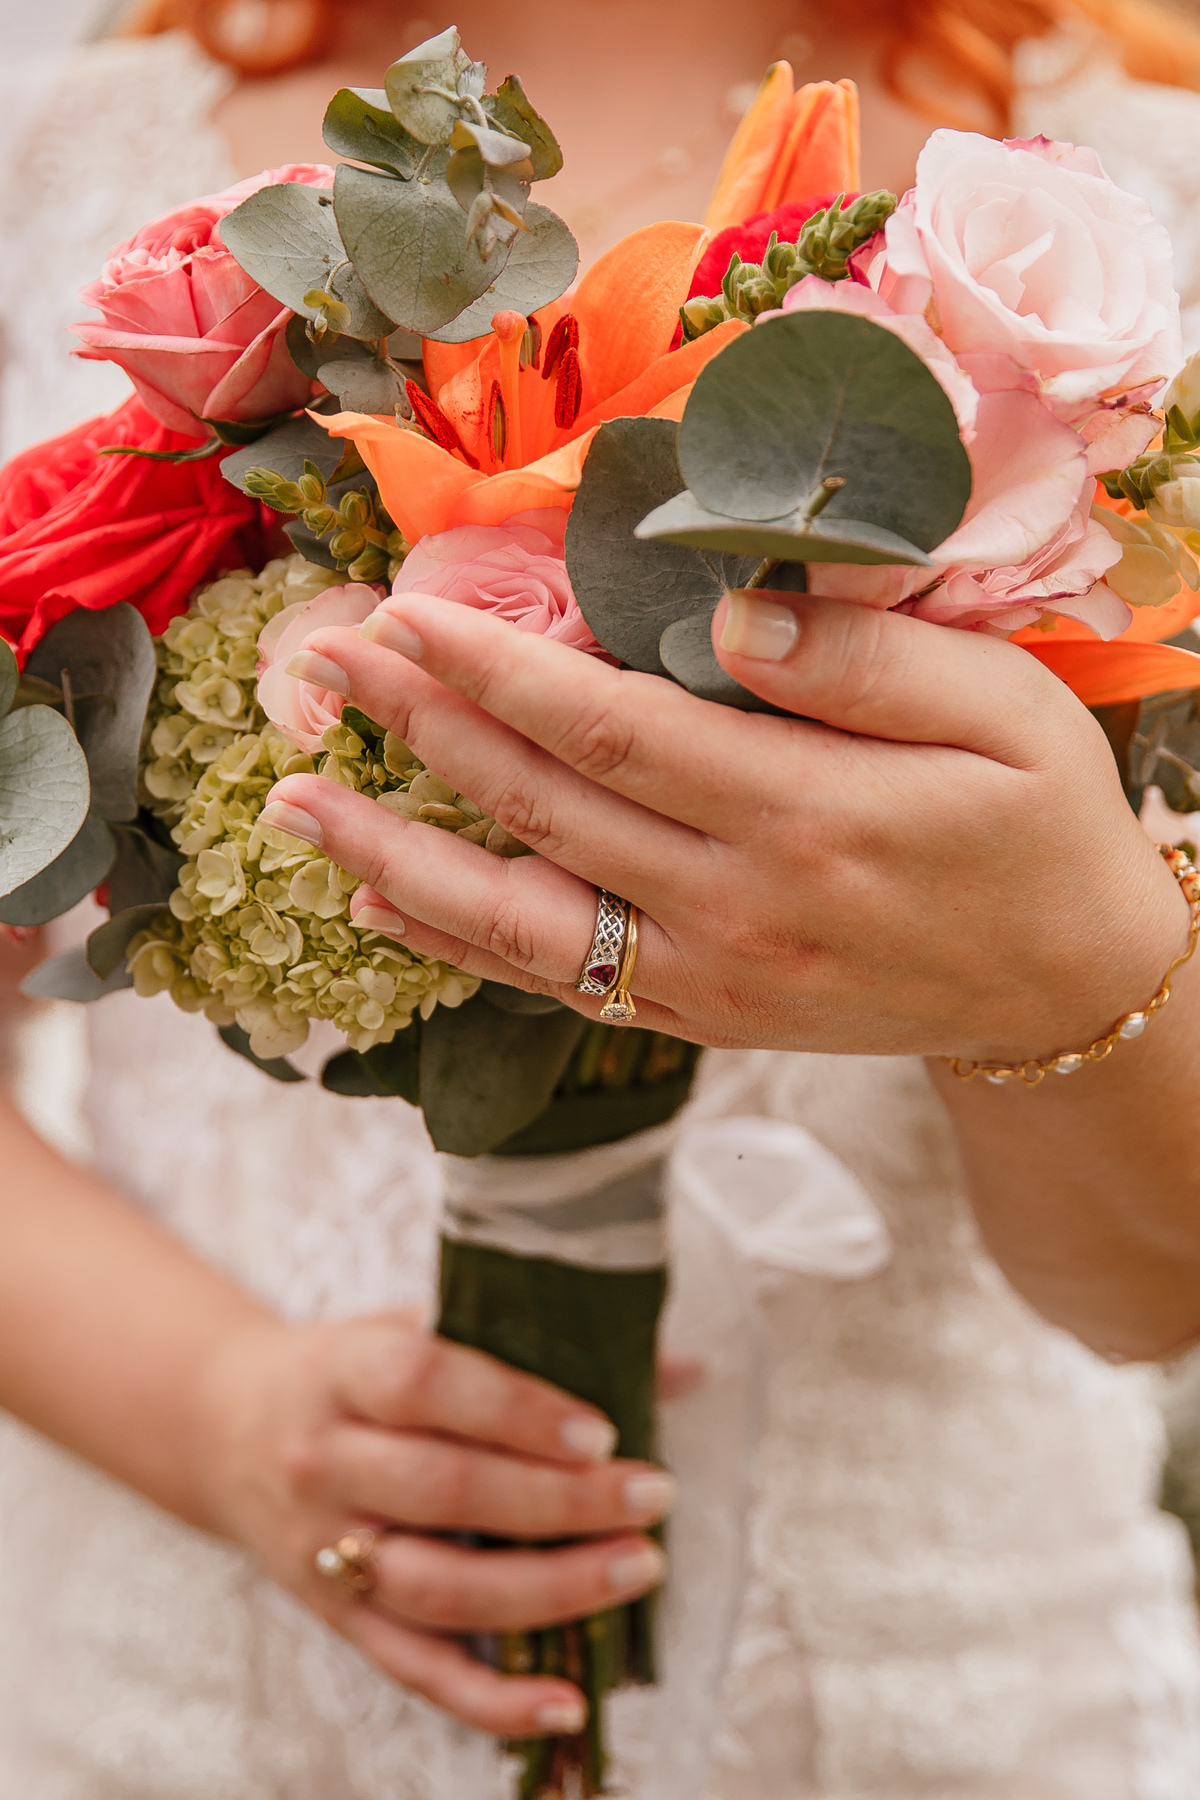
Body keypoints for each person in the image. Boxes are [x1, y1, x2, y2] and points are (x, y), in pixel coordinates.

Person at [5, 2, 1200, 1796]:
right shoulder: (64, 159)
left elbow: (1153, 1288)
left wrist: (1061, 974)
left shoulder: (1144, 188)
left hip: (940, 1685)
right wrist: (219, 1416)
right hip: (186, 1687)